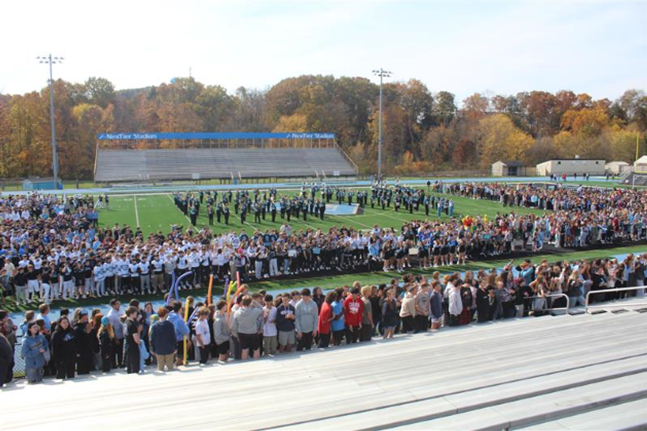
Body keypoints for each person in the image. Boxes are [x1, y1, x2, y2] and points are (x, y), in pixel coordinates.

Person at [231, 296, 263, 360]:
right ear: (250, 303)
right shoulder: (255, 311)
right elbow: (261, 308)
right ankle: (257, 363)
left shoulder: (237, 313)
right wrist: (254, 302)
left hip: (242, 333)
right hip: (253, 333)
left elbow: (233, 326)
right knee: (256, 350)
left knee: (244, 350)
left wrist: (236, 335)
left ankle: (244, 363)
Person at [149, 307, 177, 372]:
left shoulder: (154, 326)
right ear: (166, 314)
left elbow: (153, 338)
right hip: (169, 348)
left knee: (160, 368)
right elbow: (173, 336)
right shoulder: (170, 325)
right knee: (170, 367)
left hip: (159, 349)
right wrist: (175, 346)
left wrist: (153, 348)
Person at [107, 298, 124, 368]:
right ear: (113, 305)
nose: (119, 305)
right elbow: (111, 327)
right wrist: (115, 337)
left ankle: (120, 362)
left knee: (120, 350)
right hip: (115, 335)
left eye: (119, 303)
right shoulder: (111, 315)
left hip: (121, 334)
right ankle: (114, 364)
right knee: (114, 350)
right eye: (117, 304)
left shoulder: (120, 312)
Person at [124, 306, 141, 374]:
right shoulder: (132, 325)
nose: (136, 314)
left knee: (129, 364)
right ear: (131, 313)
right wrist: (139, 342)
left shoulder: (125, 322)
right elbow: (136, 338)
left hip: (127, 345)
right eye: (135, 312)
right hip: (133, 346)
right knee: (134, 366)